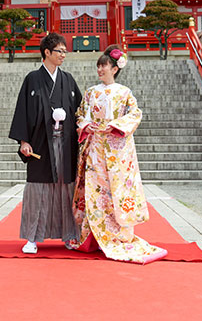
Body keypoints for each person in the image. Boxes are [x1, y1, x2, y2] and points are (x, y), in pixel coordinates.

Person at [68, 45, 168, 264]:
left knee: (117, 191)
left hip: (117, 150)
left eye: (103, 65)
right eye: (98, 66)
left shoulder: (124, 92)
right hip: (95, 148)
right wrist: (87, 125)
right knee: (96, 191)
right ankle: (92, 237)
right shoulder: (91, 92)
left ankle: (119, 236)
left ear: (114, 68)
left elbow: (135, 114)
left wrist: (113, 125)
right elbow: (79, 114)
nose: (100, 69)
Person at [9, 33, 82, 254]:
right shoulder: (32, 78)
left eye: (65, 51)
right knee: (37, 191)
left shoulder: (67, 79)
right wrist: (24, 141)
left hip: (66, 143)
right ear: (47, 53)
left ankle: (70, 236)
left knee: (66, 190)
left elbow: (80, 110)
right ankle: (32, 237)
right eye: (59, 51)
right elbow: (23, 110)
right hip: (41, 145)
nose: (63, 55)